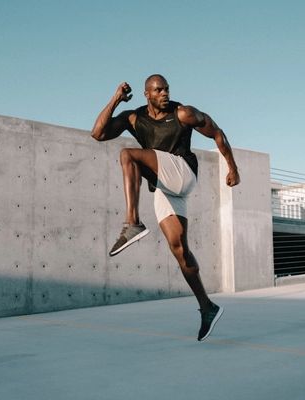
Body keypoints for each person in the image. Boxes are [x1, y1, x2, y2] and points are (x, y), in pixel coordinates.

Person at [91, 74, 240, 341]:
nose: (164, 94)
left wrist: (233, 167)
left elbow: (216, 132)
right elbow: (98, 133)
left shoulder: (183, 113)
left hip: (183, 171)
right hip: (164, 185)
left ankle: (132, 223)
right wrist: (115, 99)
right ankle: (207, 306)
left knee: (128, 155)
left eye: (167, 89)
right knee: (179, 249)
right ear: (147, 94)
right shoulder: (134, 118)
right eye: (158, 90)